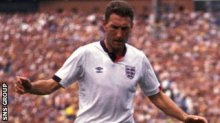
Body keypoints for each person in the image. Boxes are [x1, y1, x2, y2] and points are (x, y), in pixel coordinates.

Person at [15, 0, 208, 123]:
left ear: (131, 27)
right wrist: (31, 87)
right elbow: (51, 85)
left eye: (125, 29)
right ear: (104, 25)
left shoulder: (138, 58)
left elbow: (156, 95)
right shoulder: (85, 54)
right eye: (114, 27)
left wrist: (184, 117)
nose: (119, 34)